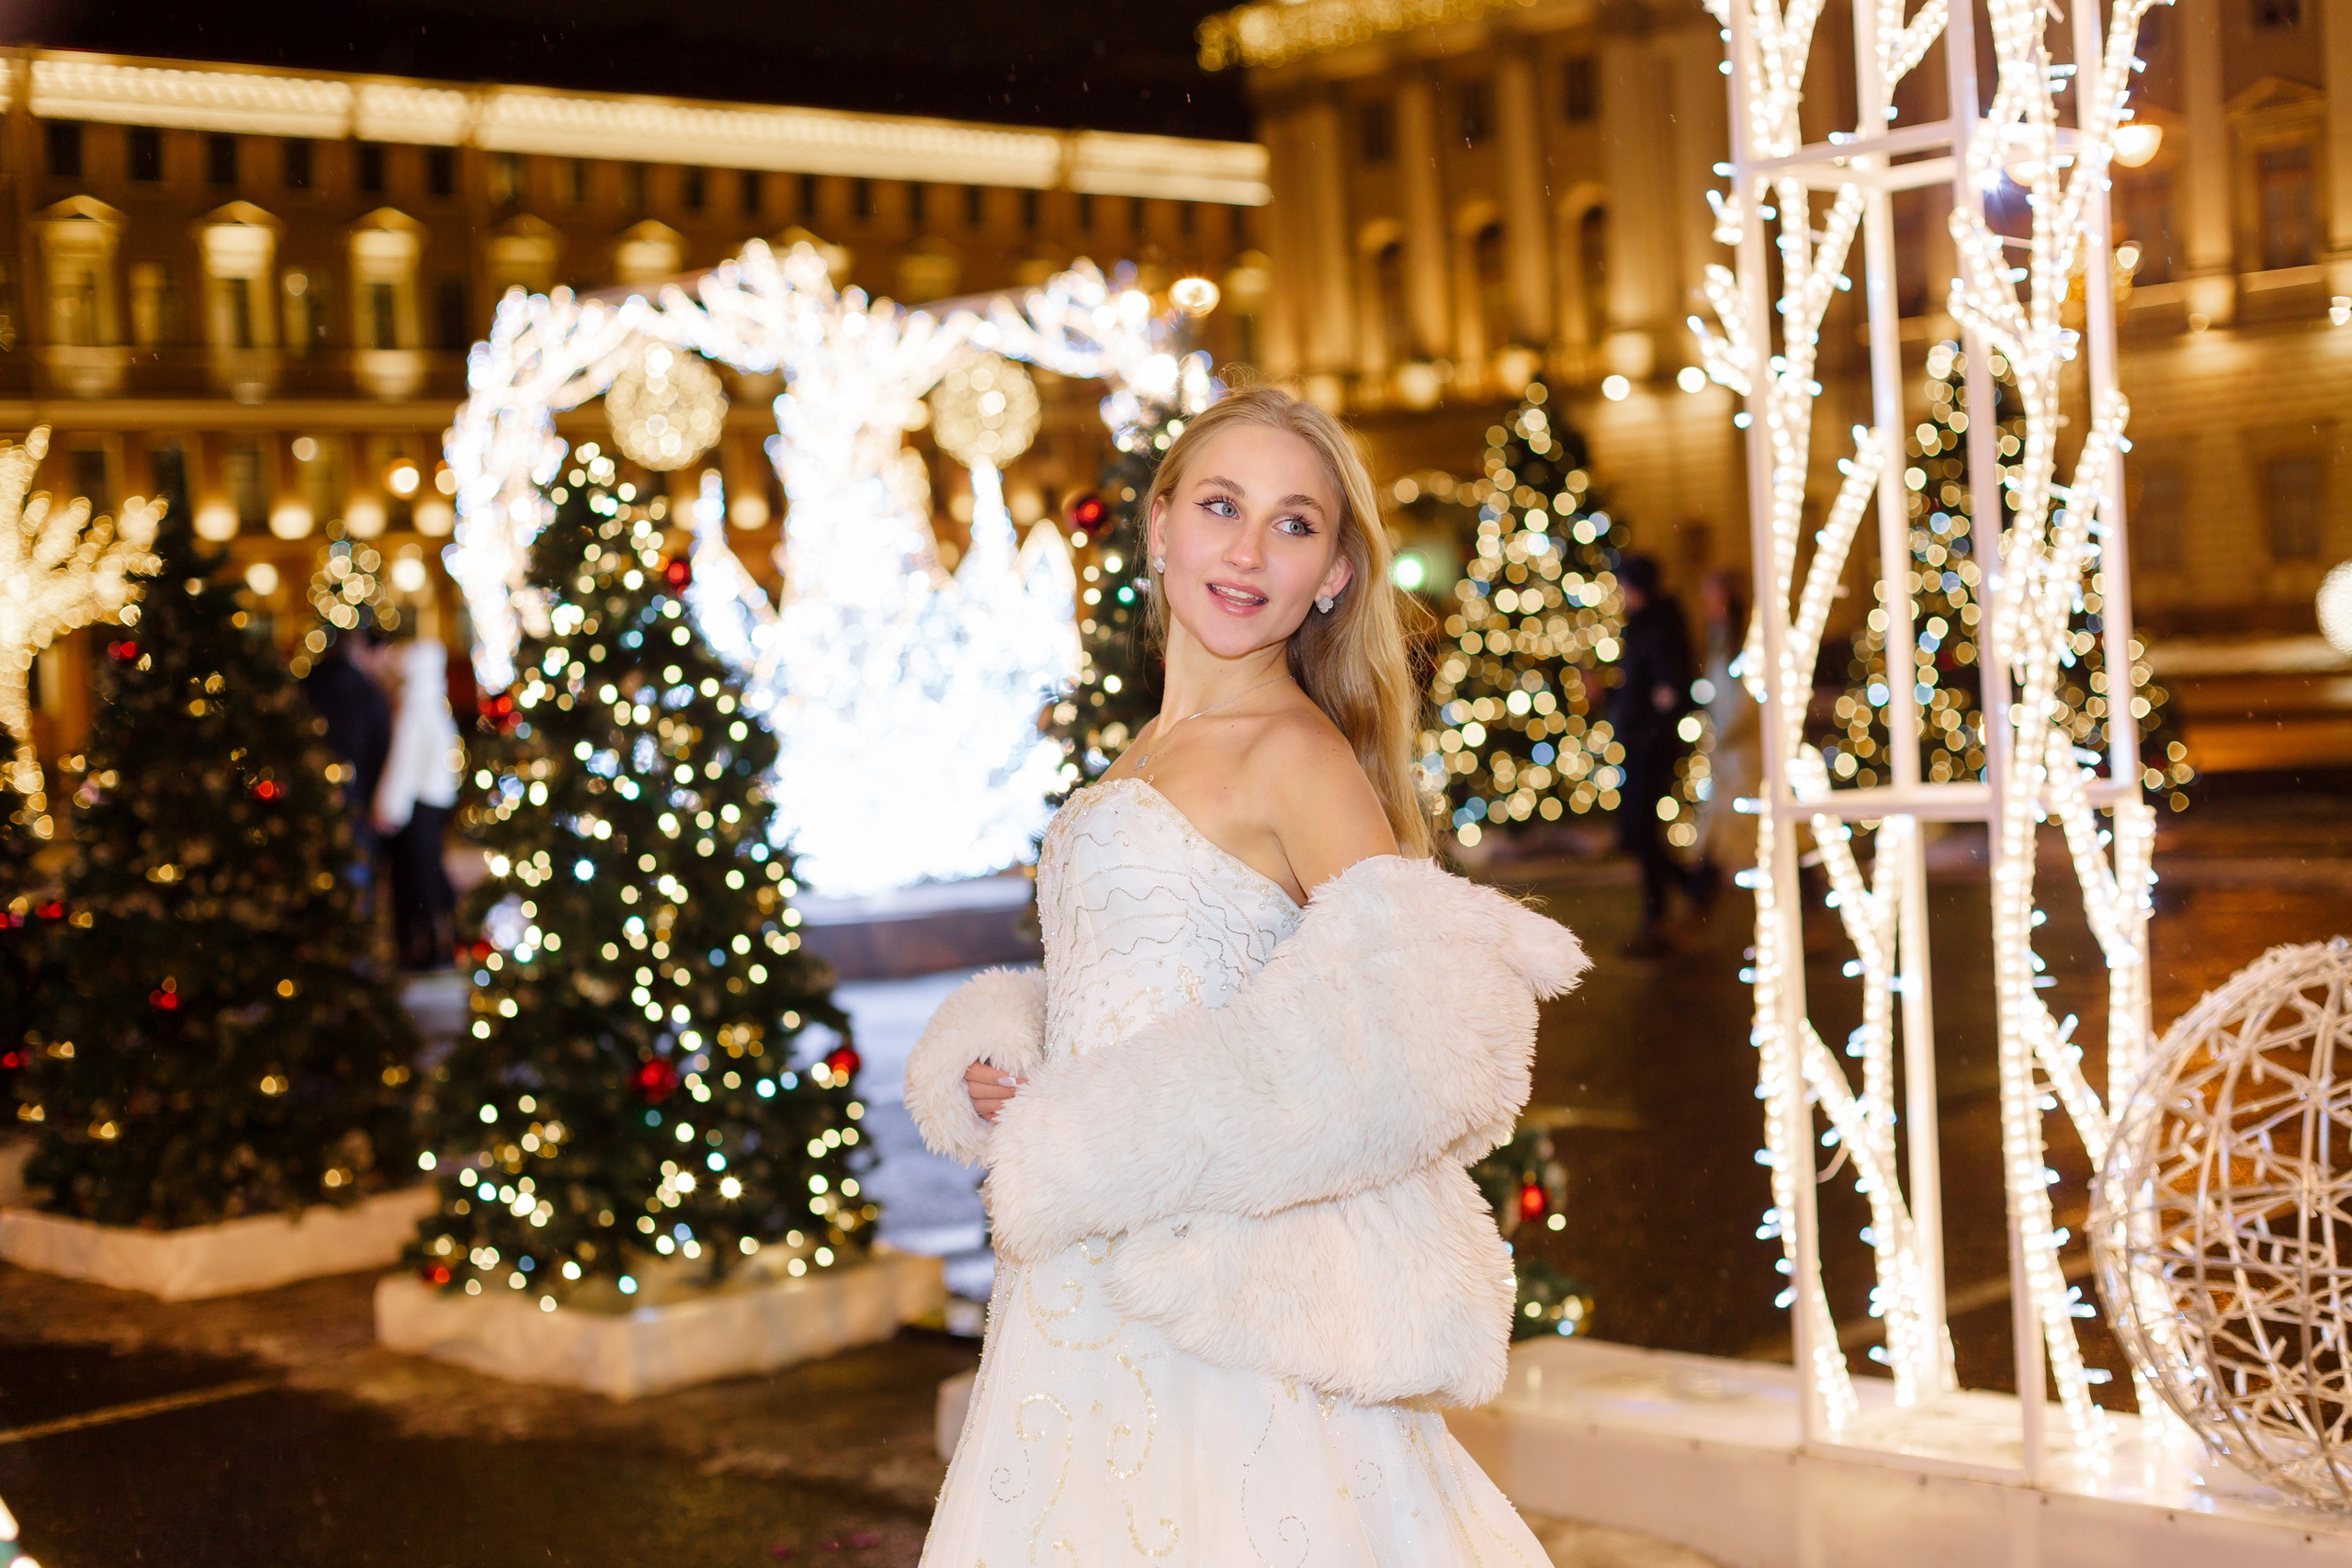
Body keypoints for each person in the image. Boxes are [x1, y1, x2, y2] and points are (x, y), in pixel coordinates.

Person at [903, 388, 1588, 1564]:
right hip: (1071, 1292)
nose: (1248, 550)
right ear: (1159, 525)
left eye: (1294, 523)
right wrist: (1011, 1061)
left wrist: (1110, 1134)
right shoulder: (1144, 749)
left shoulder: (1295, 755)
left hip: (1211, 1302)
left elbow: (1427, 1041)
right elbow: (1153, 987)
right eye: (1222, 506)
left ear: (1331, 573)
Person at [1607, 553, 1698, 956]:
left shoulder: (1654, 627)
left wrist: (1645, 728)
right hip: (1643, 742)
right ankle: (1684, 892)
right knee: (1639, 831)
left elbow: (1665, 689)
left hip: (1649, 746)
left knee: (1642, 830)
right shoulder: (1647, 625)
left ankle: (1662, 913)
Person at [373, 637, 461, 971]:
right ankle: (441, 942)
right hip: (435, 802)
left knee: (417, 875)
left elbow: (403, 766)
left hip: (419, 806)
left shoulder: (414, 707)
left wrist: (387, 809)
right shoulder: (436, 704)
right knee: (430, 871)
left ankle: (425, 946)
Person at [301, 630, 394, 898]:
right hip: (355, 805)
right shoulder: (369, 695)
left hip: (310, 801)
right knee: (354, 887)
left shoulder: (309, 683)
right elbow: (380, 753)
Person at [1690, 569, 1760, 908]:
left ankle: (1697, 914)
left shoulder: (1743, 644)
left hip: (1746, 758)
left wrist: (1724, 736)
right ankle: (1698, 912)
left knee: (1761, 834)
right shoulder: (1719, 639)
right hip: (1728, 759)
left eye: (1713, 596)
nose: (1707, 604)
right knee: (1720, 837)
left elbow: (1746, 702)